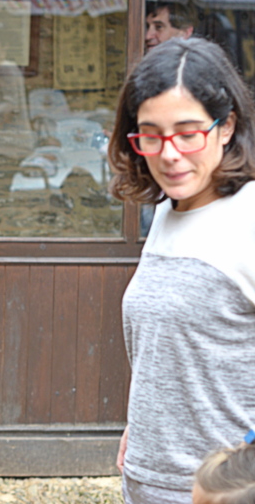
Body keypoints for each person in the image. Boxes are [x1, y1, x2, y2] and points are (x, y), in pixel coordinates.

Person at [108, 37, 255, 503]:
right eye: (151, 134)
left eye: (188, 133)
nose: (169, 154)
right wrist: (140, 424)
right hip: (147, 481)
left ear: (226, 126)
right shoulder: (170, 211)